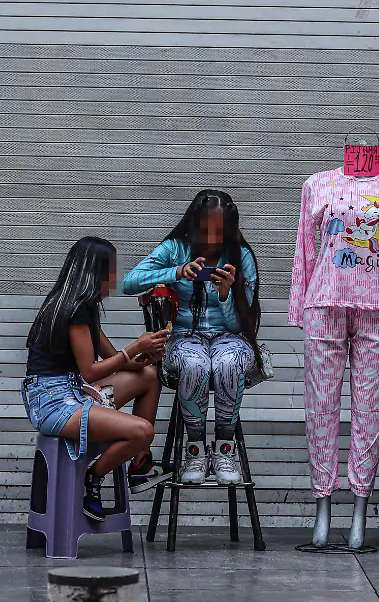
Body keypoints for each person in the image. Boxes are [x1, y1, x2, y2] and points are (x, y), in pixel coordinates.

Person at [23, 237, 170, 521]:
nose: (115, 279)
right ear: (96, 273)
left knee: (149, 376)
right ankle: (93, 479)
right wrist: (134, 349)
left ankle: (139, 465)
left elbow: (114, 360)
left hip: (77, 390)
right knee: (142, 432)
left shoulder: (85, 307)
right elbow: (91, 370)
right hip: (54, 403)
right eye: (111, 270)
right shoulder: (73, 310)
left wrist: (142, 357)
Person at [122, 190, 262, 485]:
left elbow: (240, 327)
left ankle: (225, 448)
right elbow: (129, 283)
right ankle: (195, 450)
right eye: (206, 229)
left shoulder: (241, 255)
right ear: (193, 223)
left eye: (220, 231)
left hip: (229, 336)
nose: (212, 238)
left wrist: (226, 294)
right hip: (183, 336)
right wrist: (177, 272)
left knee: (229, 360)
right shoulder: (175, 248)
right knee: (195, 362)